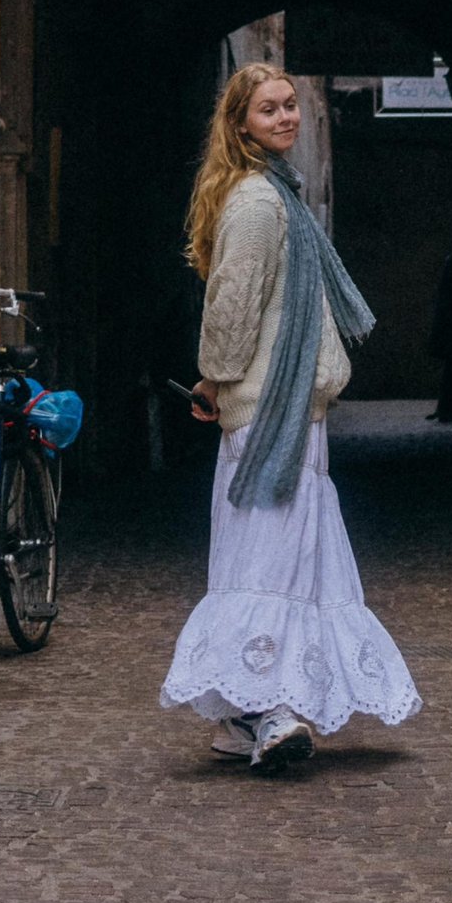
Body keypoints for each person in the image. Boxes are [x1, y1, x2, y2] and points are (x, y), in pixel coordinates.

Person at [159, 62, 423, 775]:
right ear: (241, 121)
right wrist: (213, 379)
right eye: (270, 108)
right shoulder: (256, 203)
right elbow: (231, 305)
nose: (286, 118)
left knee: (289, 556)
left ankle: (244, 716)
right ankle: (268, 707)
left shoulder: (280, 195)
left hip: (290, 410)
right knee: (267, 555)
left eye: (292, 106)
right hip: (264, 411)